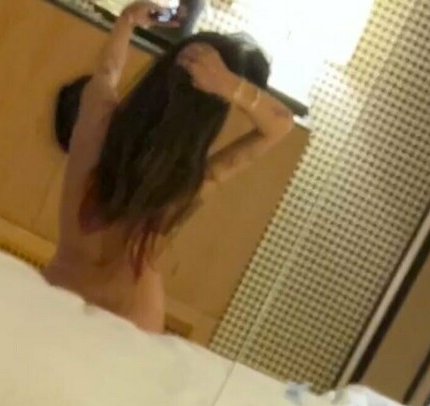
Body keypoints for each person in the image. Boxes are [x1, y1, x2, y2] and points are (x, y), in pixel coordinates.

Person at [45, 5, 297, 332]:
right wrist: (228, 85)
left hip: (55, 301)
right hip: (130, 329)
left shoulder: (96, 122)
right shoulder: (186, 188)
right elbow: (281, 125)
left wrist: (128, 21)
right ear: (205, 125)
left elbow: (108, 70)